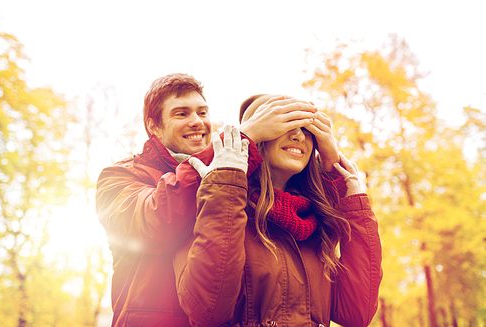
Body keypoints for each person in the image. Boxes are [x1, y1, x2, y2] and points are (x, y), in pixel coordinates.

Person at [95, 75, 320, 326]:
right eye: (181, 114)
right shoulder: (119, 177)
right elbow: (158, 221)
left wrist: (331, 163)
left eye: (203, 112)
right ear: (153, 126)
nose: (197, 122)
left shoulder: (236, 176)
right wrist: (245, 138)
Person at [173, 94, 383, 326]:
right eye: (285, 124)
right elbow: (208, 311)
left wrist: (346, 192)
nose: (298, 135)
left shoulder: (317, 222)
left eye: (307, 129)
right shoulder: (216, 201)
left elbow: (357, 314)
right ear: (258, 135)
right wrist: (225, 186)